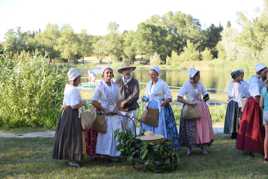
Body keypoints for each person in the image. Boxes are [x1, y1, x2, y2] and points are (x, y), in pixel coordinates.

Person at [140, 66, 180, 150]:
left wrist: (164, 103)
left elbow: (169, 98)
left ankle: (161, 145)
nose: (152, 76)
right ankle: (150, 144)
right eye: (150, 74)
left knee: (160, 126)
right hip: (150, 108)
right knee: (149, 125)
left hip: (160, 108)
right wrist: (144, 98)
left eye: (153, 74)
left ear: (157, 74)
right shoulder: (148, 84)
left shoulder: (163, 84)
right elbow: (146, 96)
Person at [177, 68, 214, 155]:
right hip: (190, 109)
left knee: (203, 128)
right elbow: (179, 98)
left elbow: (205, 94)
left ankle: (203, 147)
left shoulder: (200, 84)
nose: (199, 77)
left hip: (201, 108)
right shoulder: (186, 85)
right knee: (190, 128)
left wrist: (206, 97)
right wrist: (189, 102)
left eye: (199, 76)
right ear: (193, 76)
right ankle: (189, 148)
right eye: (198, 76)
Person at [53, 68, 84, 168]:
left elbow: (66, 103)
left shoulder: (67, 87)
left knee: (67, 135)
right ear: (74, 79)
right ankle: (72, 158)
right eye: (79, 78)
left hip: (66, 113)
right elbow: (74, 105)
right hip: (72, 114)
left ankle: (68, 156)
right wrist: (83, 103)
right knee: (73, 135)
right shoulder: (74, 89)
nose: (80, 80)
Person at [236, 64, 268, 155]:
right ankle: (250, 147)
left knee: (256, 126)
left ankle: (258, 147)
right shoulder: (254, 81)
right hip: (253, 104)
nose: (266, 73)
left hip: (256, 103)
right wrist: (262, 107)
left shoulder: (261, 79)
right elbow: (257, 95)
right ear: (260, 72)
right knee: (252, 126)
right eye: (265, 72)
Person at [91, 67, 123, 158]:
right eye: (107, 73)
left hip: (115, 114)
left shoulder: (115, 86)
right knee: (106, 135)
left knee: (117, 133)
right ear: (103, 75)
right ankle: (104, 154)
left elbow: (119, 99)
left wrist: (118, 108)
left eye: (110, 73)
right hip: (105, 115)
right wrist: (103, 109)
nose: (109, 74)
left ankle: (116, 154)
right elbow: (94, 101)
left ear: (112, 75)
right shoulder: (100, 87)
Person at [116, 65, 139, 134]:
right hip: (121, 110)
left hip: (132, 109)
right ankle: (123, 144)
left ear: (131, 71)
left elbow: (135, 94)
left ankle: (132, 144)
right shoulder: (118, 81)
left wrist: (125, 102)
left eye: (129, 70)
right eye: (125, 70)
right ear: (122, 72)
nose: (127, 71)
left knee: (131, 129)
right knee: (121, 129)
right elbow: (114, 94)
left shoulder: (135, 82)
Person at [224, 70, 243, 139]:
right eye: (240, 76)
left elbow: (228, 93)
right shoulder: (237, 85)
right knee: (235, 117)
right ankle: (235, 133)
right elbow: (238, 96)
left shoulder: (230, 83)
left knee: (232, 118)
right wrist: (241, 105)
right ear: (237, 77)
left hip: (230, 102)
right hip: (235, 102)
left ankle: (233, 132)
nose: (241, 77)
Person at [260, 72, 268, 161]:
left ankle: (266, 155)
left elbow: (260, 104)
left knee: (266, 135)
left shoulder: (263, 89)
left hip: (265, 113)